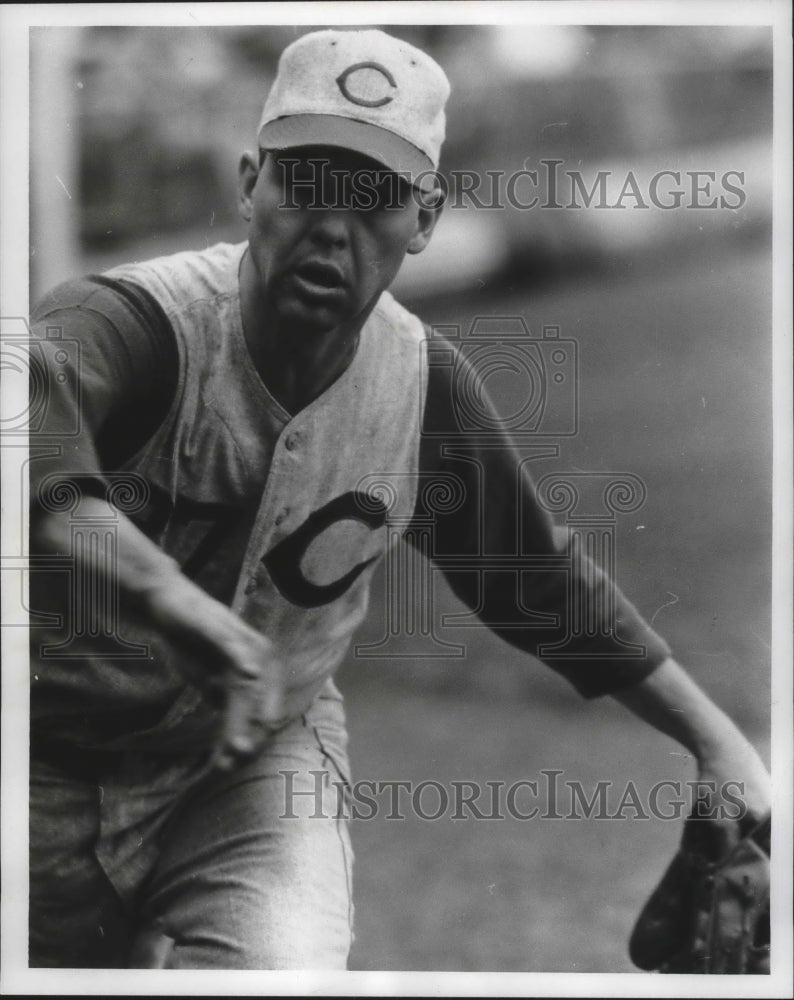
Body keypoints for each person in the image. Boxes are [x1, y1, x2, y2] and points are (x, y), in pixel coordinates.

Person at [28, 28, 770, 970]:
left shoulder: (418, 388)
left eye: (374, 196)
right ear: (251, 180)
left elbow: (534, 578)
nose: (333, 228)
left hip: (250, 778)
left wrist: (721, 747)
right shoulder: (136, 325)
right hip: (40, 756)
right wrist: (168, 600)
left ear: (425, 218)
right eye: (307, 183)